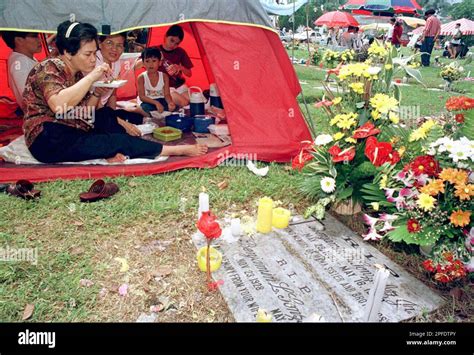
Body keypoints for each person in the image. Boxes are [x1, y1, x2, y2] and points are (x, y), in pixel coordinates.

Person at [22, 21, 207, 164]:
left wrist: (96, 94)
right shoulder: (49, 67)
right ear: (68, 52)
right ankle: (172, 150)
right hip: (47, 137)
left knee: (107, 115)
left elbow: (88, 111)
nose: (93, 59)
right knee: (114, 141)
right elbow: (58, 105)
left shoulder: (76, 74)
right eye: (88, 54)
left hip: (71, 126)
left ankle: (111, 147)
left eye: (95, 53)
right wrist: (93, 77)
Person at [94, 32, 145, 124]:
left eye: (119, 45)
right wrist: (117, 122)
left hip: (105, 109)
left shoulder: (115, 62)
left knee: (137, 118)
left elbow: (113, 93)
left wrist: (113, 115)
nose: (114, 49)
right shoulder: (93, 62)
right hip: (91, 112)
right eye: (109, 43)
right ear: (100, 44)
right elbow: (93, 103)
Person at [2, 31, 42, 109]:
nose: (39, 40)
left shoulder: (25, 58)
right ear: (19, 40)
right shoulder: (20, 62)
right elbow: (29, 98)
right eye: (34, 36)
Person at [158, 25, 193, 107]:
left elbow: (189, 74)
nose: (172, 45)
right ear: (165, 36)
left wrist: (180, 67)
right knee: (184, 103)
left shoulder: (180, 52)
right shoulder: (155, 50)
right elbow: (137, 65)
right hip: (163, 88)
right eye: (171, 40)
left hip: (179, 86)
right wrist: (156, 59)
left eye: (176, 43)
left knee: (195, 101)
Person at [137, 47, 176, 116]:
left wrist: (170, 102)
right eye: (147, 61)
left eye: (154, 61)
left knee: (172, 108)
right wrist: (156, 103)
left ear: (160, 63)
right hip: (148, 101)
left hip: (161, 100)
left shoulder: (164, 76)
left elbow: (167, 94)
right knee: (144, 108)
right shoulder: (141, 77)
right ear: (143, 63)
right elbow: (142, 97)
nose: (151, 64)